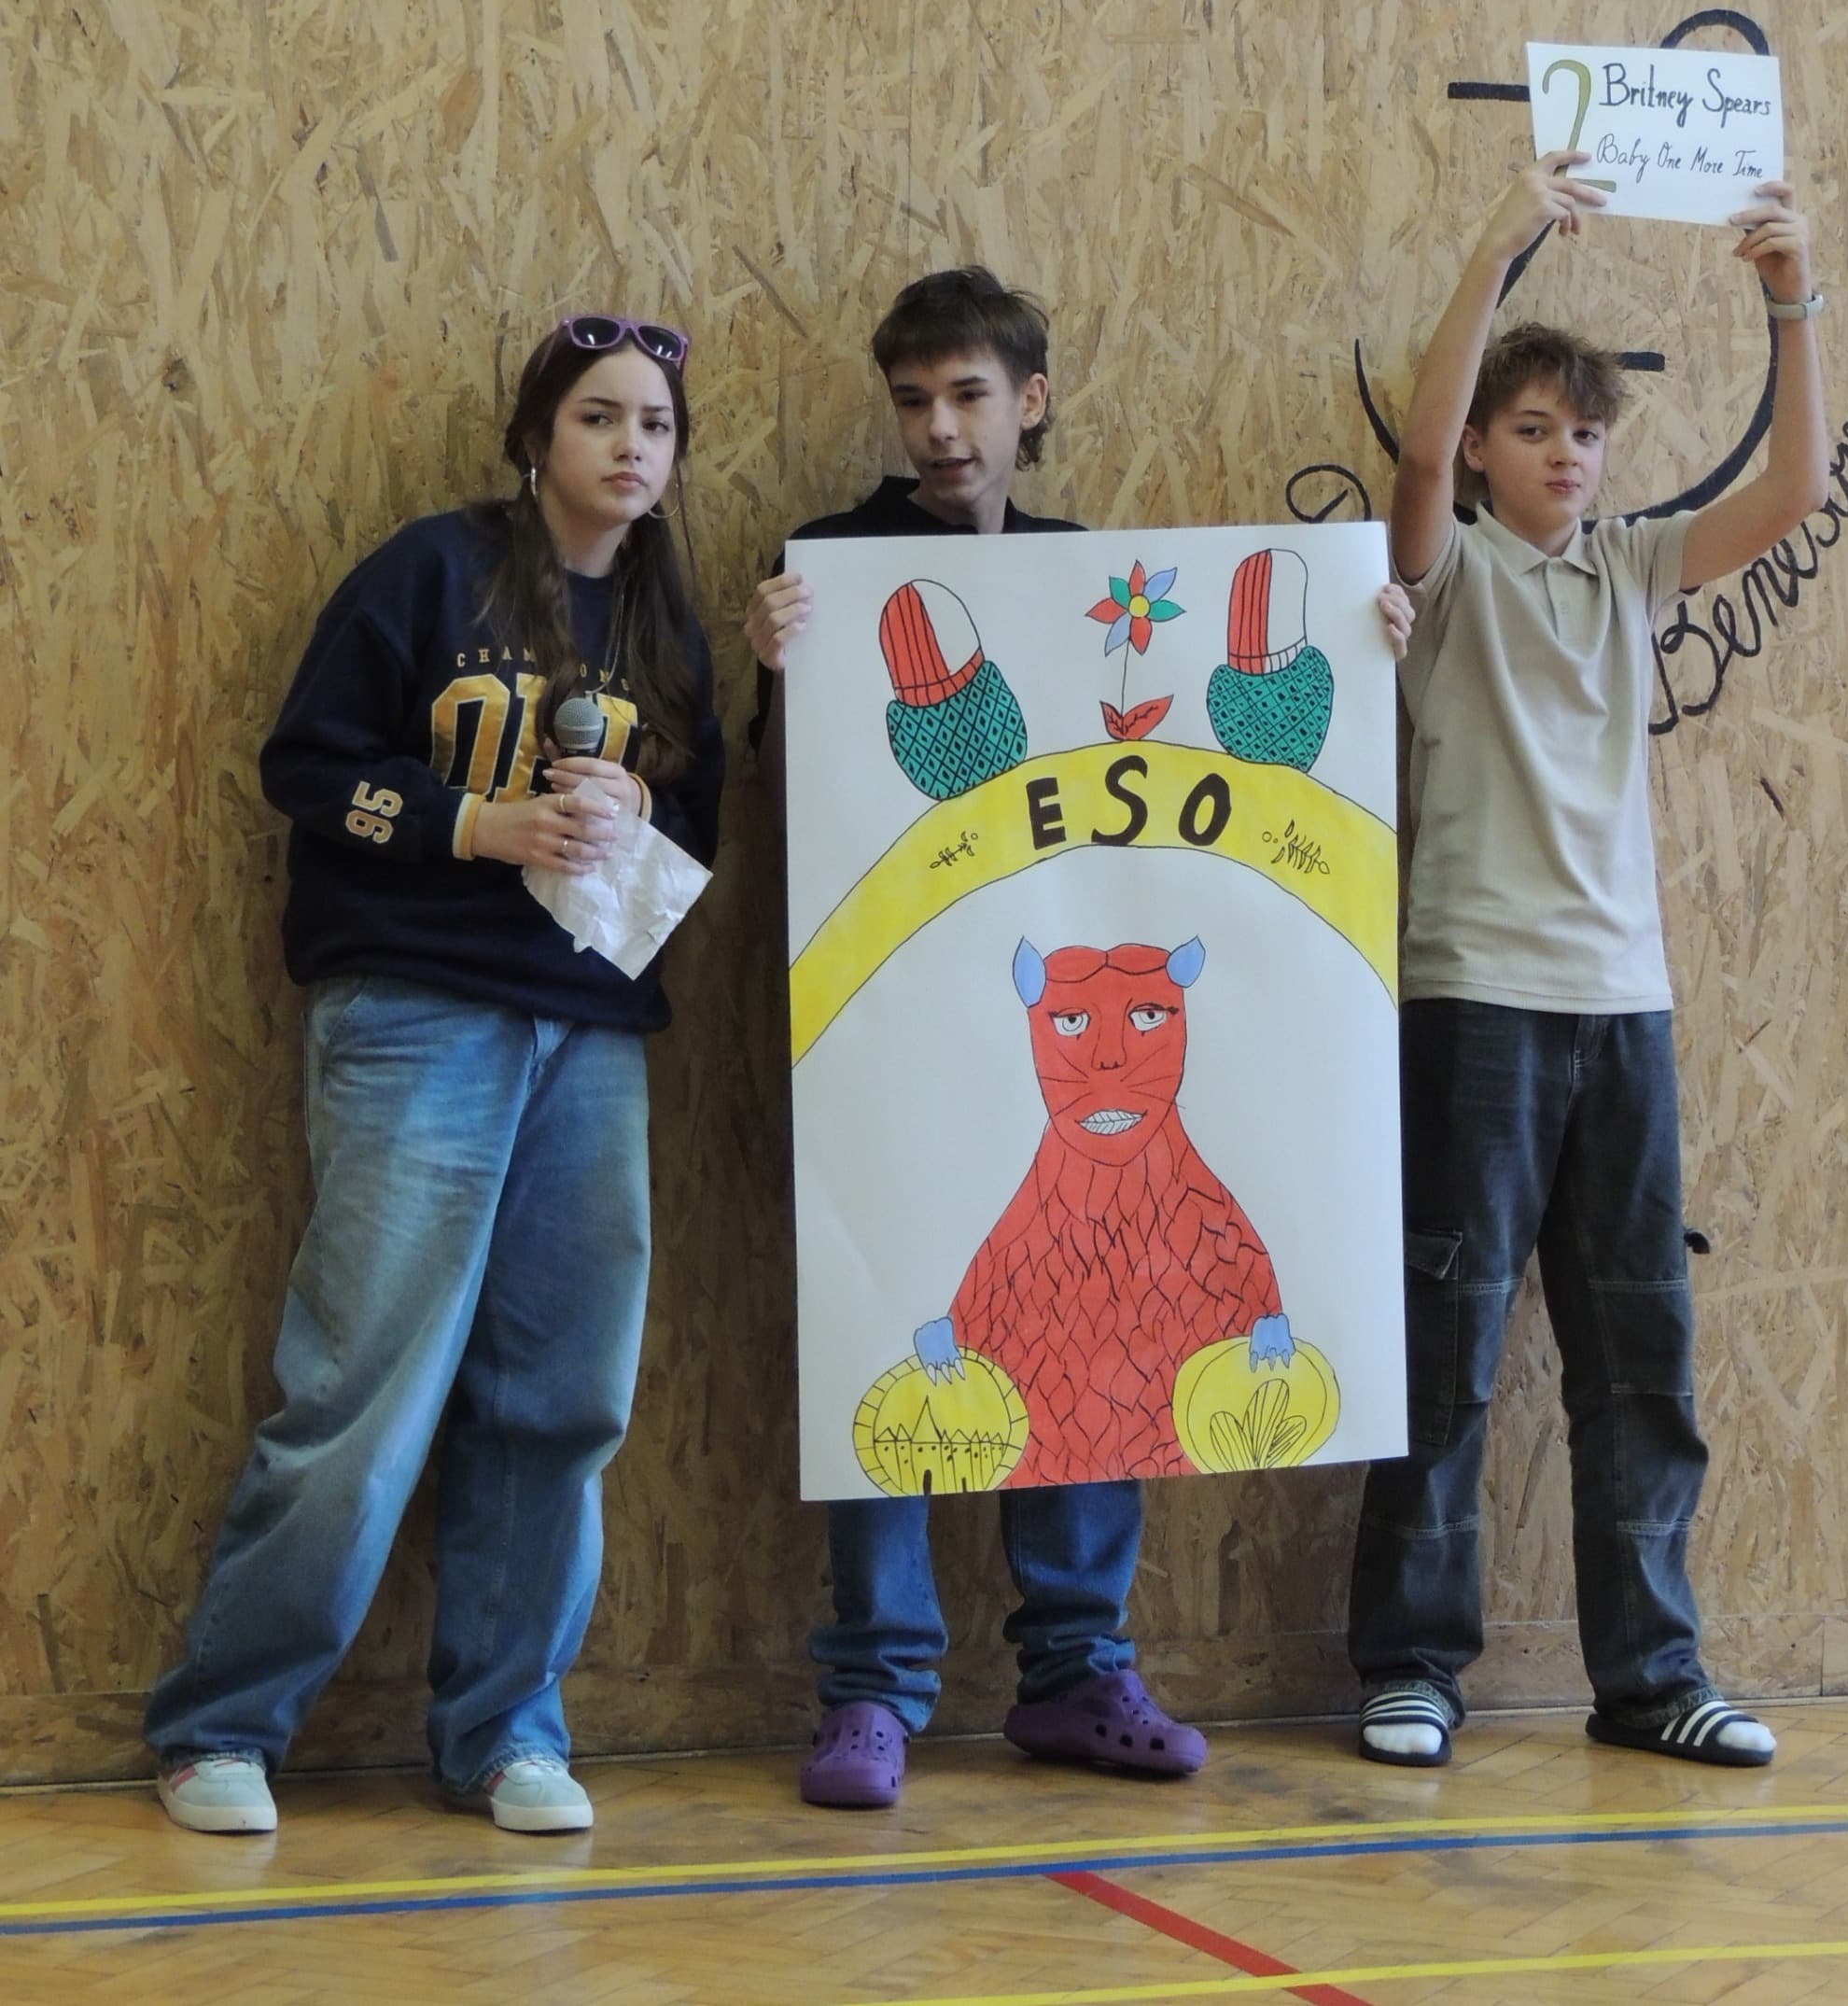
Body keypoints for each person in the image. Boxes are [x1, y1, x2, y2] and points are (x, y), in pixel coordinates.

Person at [749, 265, 1409, 1809]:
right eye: (914, 399)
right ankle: (874, 1688)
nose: (939, 427)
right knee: (900, 1320)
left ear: (1029, 401)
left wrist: (1367, 638)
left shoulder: (1096, 576)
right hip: (904, 1054)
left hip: (1086, 1052)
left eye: (969, 395)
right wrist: (777, 674)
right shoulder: (831, 570)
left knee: (1102, 1325)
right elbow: (794, 806)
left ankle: (1075, 1667)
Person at [145, 316, 725, 1834]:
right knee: (364, 1382)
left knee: (564, 1395)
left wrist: (631, 815)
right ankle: (223, 1726)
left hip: (589, 1031)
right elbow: (305, 764)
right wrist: (481, 825)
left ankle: (506, 1731)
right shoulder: (431, 570)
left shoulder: (665, 622)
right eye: (598, 417)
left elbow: (699, 835)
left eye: (656, 425)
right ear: (535, 437)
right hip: (414, 1009)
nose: (631, 447)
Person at [1349, 154, 1829, 1771]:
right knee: (1445, 1348)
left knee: (1639, 1358)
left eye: (1588, 432)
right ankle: (1412, 1664)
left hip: (1624, 1008)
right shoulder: (1443, 573)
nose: (1567, 452)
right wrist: (1503, 243)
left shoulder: (1630, 566)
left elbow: (1794, 490)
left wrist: (1790, 297)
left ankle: (1653, 1674)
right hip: (1474, 999)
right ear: (1490, 450)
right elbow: (1417, 453)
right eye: (1535, 427)